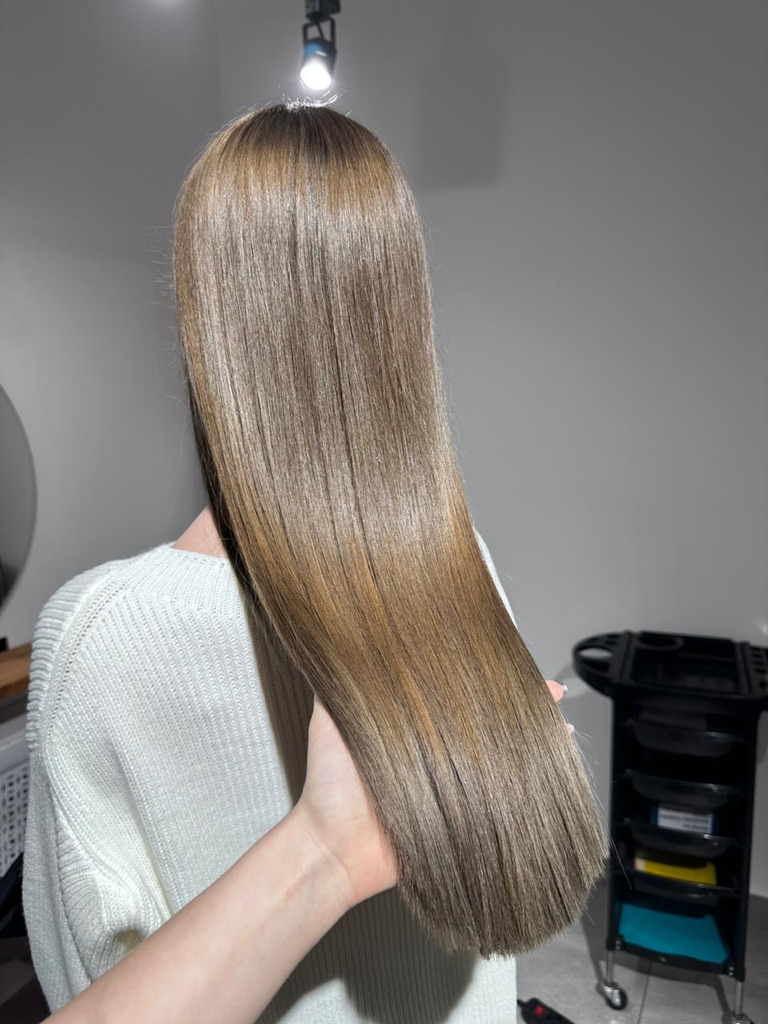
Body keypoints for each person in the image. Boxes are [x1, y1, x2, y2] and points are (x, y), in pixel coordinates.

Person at [44, 671, 565, 1024]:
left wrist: (326, 848)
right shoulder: (462, 561)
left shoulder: (96, 635)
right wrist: (327, 847)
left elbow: (76, 964)